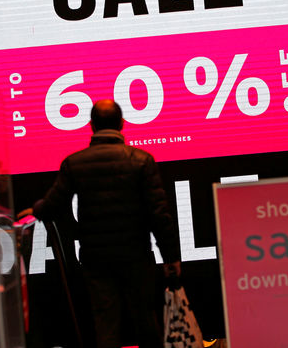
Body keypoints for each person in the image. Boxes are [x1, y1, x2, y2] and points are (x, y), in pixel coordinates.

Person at [25, 99, 181, 348]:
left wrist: (36, 209)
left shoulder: (75, 163)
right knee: (145, 320)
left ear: (91, 126)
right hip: (136, 255)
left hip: (96, 258)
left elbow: (54, 204)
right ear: (122, 123)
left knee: (106, 323)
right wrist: (171, 257)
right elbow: (159, 214)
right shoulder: (142, 160)